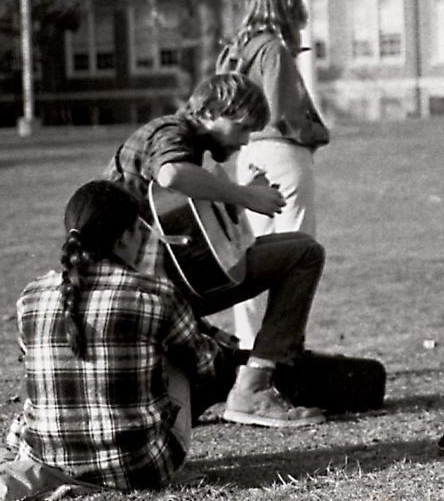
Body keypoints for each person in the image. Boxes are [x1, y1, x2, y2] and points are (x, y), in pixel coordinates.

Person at [103, 72, 326, 428]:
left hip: (160, 283)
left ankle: (248, 379)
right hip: (145, 291)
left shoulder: (195, 149)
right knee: (305, 255)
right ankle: (252, 388)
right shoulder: (168, 132)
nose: (244, 141)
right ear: (207, 112)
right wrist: (245, 196)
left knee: (301, 248)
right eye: (240, 128)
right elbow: (172, 175)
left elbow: (187, 222)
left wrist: (234, 203)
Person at [15, 180, 227, 490]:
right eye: (141, 229)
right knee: (175, 353)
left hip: (48, 464)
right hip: (138, 469)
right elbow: (206, 366)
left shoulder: (31, 294)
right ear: (125, 236)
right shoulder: (156, 294)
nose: (144, 237)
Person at [215, 0, 329, 349]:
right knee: (299, 253)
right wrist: (314, 132)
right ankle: (281, 347)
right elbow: (278, 114)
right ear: (286, 1)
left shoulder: (237, 50)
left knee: (251, 256)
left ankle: (249, 345)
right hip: (283, 153)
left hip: (247, 153)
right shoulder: (274, 49)